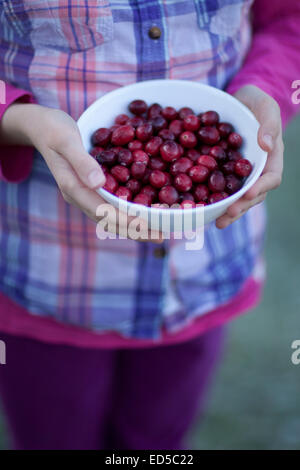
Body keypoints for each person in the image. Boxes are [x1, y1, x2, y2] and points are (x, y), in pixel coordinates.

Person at [0, 0, 299, 450]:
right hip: (45, 272)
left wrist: (270, 89)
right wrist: (17, 118)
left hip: (202, 276)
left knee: (159, 445)